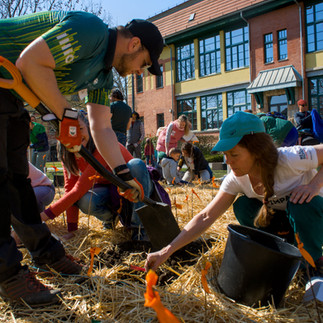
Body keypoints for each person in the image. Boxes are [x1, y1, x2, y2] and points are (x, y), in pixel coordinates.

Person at [0, 11, 164, 305]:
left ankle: (46, 254)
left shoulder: (102, 76)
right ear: (134, 44)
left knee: (17, 181)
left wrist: (123, 176)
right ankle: (8, 276)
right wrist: (68, 115)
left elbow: (102, 128)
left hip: (10, 95)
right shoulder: (91, 31)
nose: (141, 72)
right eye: (145, 64)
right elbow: (30, 62)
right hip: (4, 74)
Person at [145, 112, 323, 280]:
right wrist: (166, 251)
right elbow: (206, 216)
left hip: (312, 221)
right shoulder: (236, 178)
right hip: (284, 222)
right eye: (225, 155)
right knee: (243, 206)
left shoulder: (288, 159)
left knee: (301, 205)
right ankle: (277, 253)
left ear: (257, 150)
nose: (228, 162)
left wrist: (314, 186)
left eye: (234, 154)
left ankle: (313, 267)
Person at [41, 111, 154, 241]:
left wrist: (44, 216)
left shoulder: (101, 146)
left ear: (89, 128)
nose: (76, 134)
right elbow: (70, 190)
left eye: (81, 128)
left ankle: (139, 230)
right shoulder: (68, 155)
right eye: (71, 130)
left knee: (135, 164)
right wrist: (72, 229)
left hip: (134, 189)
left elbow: (78, 189)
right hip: (111, 191)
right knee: (86, 200)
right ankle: (110, 219)